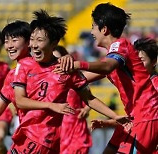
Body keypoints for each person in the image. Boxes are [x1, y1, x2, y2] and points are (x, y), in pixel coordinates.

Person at [11, 10, 130, 154]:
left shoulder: (67, 69)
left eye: (40, 40)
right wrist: (51, 105)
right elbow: (20, 101)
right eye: (32, 39)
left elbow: (89, 99)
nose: (34, 45)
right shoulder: (24, 65)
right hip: (25, 135)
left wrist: (115, 116)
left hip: (41, 137)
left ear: (54, 43)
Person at [54, 3, 158, 154]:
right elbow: (81, 79)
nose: (91, 32)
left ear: (104, 29)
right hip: (134, 118)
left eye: (93, 27)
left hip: (146, 116)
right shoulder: (112, 57)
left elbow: (107, 67)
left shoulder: (120, 45)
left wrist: (76, 64)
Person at [0, 21, 73, 154]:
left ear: (29, 42)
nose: (9, 46)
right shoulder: (13, 74)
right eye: (6, 41)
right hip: (27, 133)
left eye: (14, 40)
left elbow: (62, 63)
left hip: (41, 136)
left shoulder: (43, 63)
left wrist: (67, 58)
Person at [53, 45, 92, 154]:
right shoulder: (47, 81)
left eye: (57, 59)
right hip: (57, 127)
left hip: (76, 126)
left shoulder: (76, 78)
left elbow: (89, 98)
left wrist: (86, 110)